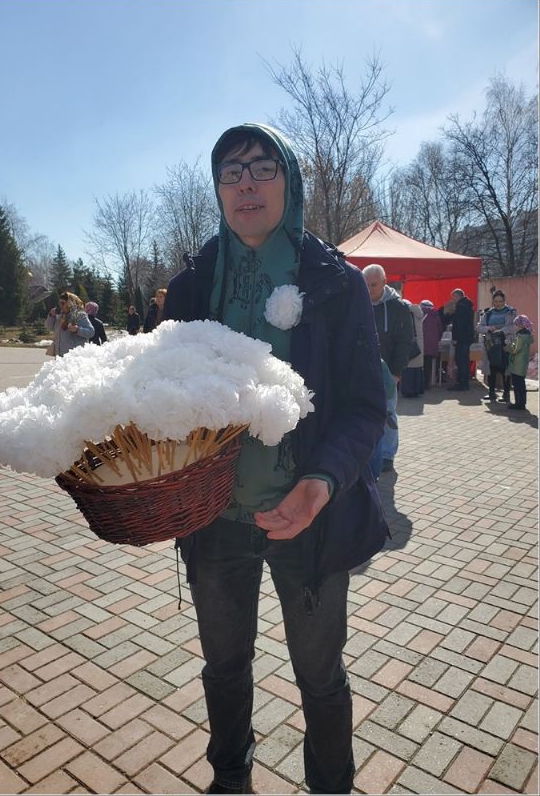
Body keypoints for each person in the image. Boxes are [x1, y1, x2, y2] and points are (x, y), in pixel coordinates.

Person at [164, 122, 388, 795]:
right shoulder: (192, 285)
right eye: (230, 172)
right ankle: (230, 778)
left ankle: (330, 786)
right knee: (224, 667)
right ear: (217, 190)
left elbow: (364, 406)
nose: (247, 184)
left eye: (263, 167)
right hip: (214, 522)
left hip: (309, 522)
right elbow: (158, 395)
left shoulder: (335, 284)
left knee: (320, 675)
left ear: (289, 181)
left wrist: (322, 481)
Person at [362, 264, 412, 473]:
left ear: (384, 282)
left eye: (373, 285)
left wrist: (396, 373)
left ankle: (387, 455)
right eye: (365, 284)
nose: (369, 289)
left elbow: (405, 342)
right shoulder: (358, 303)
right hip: (362, 371)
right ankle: (365, 453)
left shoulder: (398, 307)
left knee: (388, 414)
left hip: (388, 372)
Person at [476, 290, 517, 403]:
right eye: (495, 301)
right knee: (491, 368)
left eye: (500, 301)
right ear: (492, 302)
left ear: (504, 301)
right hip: (491, 344)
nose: (498, 303)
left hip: (506, 343)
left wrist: (502, 330)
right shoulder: (488, 313)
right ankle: (491, 392)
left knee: (505, 368)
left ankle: (506, 394)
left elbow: (514, 326)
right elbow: (479, 327)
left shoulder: (511, 312)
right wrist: (488, 328)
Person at [45, 292, 94, 356]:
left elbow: (91, 332)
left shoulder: (79, 315)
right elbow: (49, 327)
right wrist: (51, 315)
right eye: (59, 303)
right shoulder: (59, 316)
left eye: (63, 303)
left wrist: (77, 329)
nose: (60, 305)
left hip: (73, 356)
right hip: (60, 355)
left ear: (70, 303)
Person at [447, 288, 475, 391]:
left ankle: (461, 383)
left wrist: (455, 338)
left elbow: (458, 325)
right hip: (467, 338)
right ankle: (465, 383)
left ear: (457, 296)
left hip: (461, 339)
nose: (452, 299)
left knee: (460, 361)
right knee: (465, 361)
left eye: (453, 297)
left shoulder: (460, 307)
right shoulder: (468, 306)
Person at [506, 315, 534, 411]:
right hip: (523, 363)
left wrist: (508, 345)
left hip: (517, 363)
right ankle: (522, 403)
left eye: (516, 324)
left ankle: (519, 404)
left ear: (520, 325)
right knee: (521, 383)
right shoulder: (527, 335)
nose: (514, 326)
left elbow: (514, 349)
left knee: (517, 384)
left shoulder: (520, 336)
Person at [400, 300, 425, 397]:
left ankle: (408, 391)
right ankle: (417, 390)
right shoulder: (418, 312)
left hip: (409, 344)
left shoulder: (407, 313)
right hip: (418, 346)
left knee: (408, 369)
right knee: (417, 370)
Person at [420, 300, 444, 389]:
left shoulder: (419, 315)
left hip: (421, 343)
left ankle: (418, 384)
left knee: (419, 365)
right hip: (432, 344)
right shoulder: (436, 316)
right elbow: (440, 330)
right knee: (428, 364)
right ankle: (427, 384)